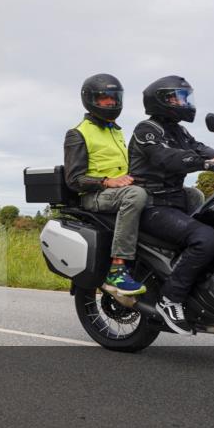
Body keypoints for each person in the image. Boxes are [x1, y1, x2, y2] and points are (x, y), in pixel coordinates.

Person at [128, 75, 214, 335]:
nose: (185, 102)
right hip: (152, 205)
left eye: (186, 97)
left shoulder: (179, 130)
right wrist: (206, 163)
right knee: (206, 239)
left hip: (175, 203)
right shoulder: (147, 130)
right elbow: (168, 158)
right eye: (179, 97)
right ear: (161, 100)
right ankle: (170, 299)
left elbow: (202, 149)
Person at [64, 73, 149, 297]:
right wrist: (106, 182)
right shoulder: (78, 133)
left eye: (114, 97)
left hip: (121, 191)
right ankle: (117, 268)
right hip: (95, 195)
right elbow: (74, 180)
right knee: (136, 196)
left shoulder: (117, 131)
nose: (111, 102)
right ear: (91, 100)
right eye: (104, 98)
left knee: (185, 194)